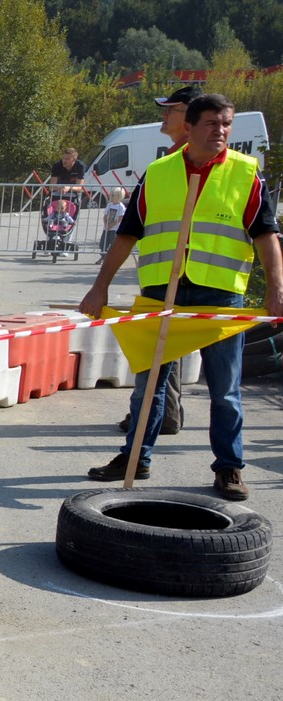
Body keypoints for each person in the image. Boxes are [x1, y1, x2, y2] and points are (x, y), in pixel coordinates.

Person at [79, 94, 282, 501]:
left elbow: (265, 235)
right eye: (211, 123)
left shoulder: (246, 173)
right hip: (161, 292)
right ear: (189, 128)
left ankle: (229, 467)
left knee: (225, 390)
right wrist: (100, 286)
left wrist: (277, 289)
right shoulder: (158, 173)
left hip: (220, 296)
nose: (221, 131)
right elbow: (127, 234)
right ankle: (135, 457)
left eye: (226, 123)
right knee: (149, 385)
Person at [117, 85, 199, 435]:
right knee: (167, 346)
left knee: (161, 347)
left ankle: (154, 416)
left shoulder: (189, 160)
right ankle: (163, 414)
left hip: (184, 273)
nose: (164, 115)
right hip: (167, 271)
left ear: (191, 116)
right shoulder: (173, 158)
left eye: (171, 109)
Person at [98, 186, 126, 257]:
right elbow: (105, 215)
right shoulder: (109, 205)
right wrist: (106, 224)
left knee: (113, 242)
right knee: (103, 242)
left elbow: (120, 218)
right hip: (106, 228)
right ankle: (103, 255)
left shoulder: (121, 207)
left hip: (114, 229)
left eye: (113, 195)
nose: (111, 196)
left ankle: (114, 255)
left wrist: (111, 225)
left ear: (118, 197)